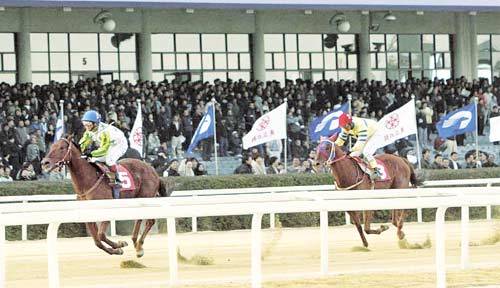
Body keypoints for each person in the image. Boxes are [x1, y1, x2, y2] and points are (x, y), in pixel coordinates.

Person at [78, 110, 128, 187]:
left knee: (109, 160)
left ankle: (117, 179)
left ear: (95, 124)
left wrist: (91, 154)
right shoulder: (90, 130)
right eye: (85, 124)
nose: (87, 127)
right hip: (109, 144)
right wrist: (79, 149)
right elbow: (84, 141)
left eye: (89, 125)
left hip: (119, 144)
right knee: (93, 159)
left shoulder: (105, 132)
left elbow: (104, 149)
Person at [334, 113, 381, 180]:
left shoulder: (360, 125)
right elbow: (341, 140)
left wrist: (350, 150)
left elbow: (360, 143)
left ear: (350, 123)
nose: (344, 128)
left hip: (375, 133)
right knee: (352, 155)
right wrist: (333, 147)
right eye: (342, 126)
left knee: (366, 152)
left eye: (345, 126)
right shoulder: (345, 127)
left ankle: (376, 171)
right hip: (365, 136)